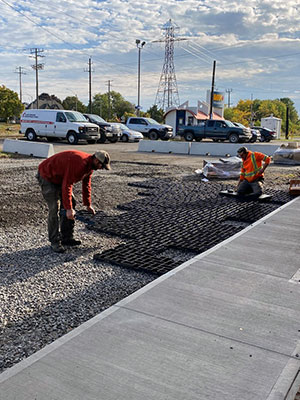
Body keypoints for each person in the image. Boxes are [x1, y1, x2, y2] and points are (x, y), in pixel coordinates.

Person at [37, 150, 111, 253]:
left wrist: (88, 204)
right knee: (55, 209)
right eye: (101, 166)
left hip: (60, 178)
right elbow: (67, 184)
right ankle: (54, 242)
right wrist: (68, 209)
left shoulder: (90, 167)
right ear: (96, 160)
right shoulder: (79, 163)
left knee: (72, 202)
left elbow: (86, 185)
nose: (101, 168)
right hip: (48, 176)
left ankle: (66, 238)